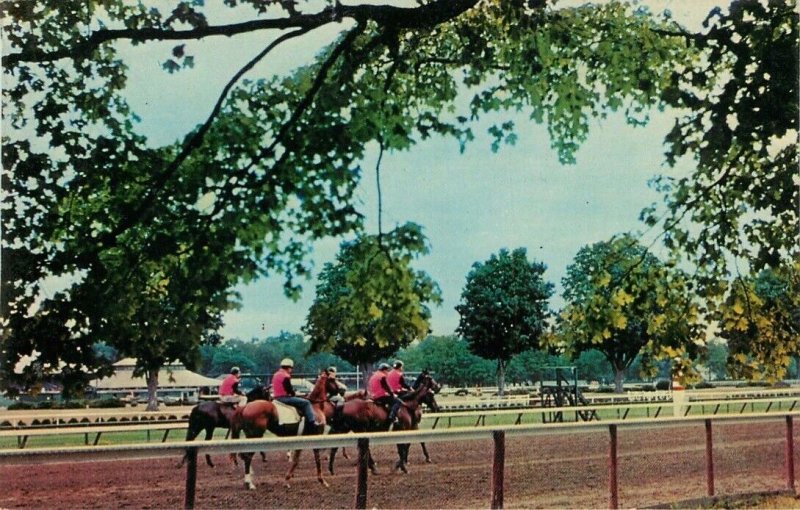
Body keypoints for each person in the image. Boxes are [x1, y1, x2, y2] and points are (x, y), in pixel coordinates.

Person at [271, 358, 321, 426]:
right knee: (306, 402)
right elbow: (289, 390)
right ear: (289, 368)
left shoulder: (276, 374)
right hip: (284, 398)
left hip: (276, 397)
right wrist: (296, 394)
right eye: (291, 368)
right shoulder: (285, 376)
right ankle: (312, 421)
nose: (291, 370)